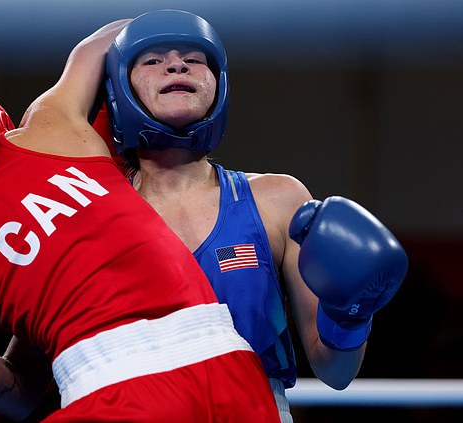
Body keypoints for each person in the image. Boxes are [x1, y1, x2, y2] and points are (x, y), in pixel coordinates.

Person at [0, 20, 281, 422]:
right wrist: (176, 42)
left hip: (117, 391)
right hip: (234, 371)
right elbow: (108, 38)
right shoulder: (52, 125)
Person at [102, 9, 409, 422]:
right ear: (120, 87)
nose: (176, 64)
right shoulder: (92, 209)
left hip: (255, 410)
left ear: (218, 83)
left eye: (194, 60)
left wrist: (349, 315)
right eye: (153, 60)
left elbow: (335, 372)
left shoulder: (277, 200)